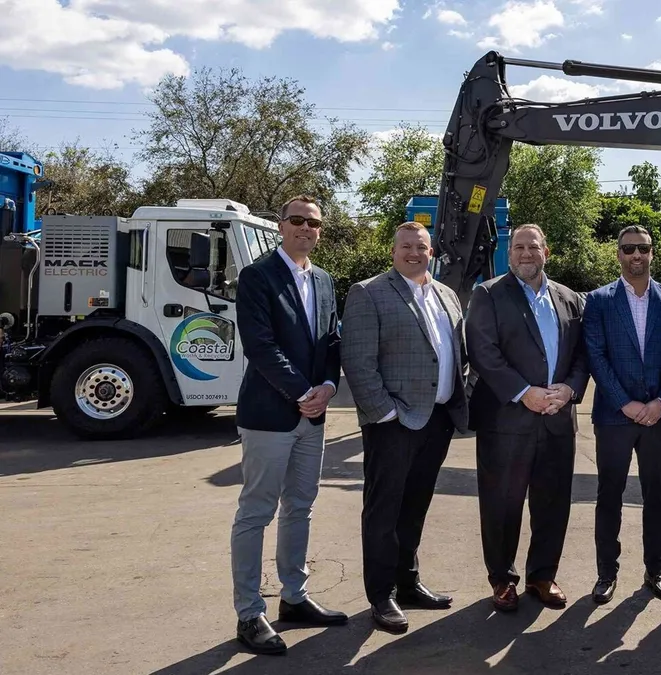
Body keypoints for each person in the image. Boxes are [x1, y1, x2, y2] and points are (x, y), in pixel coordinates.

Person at [230, 194, 346, 655]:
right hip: (270, 416)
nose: (305, 228)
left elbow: (331, 341)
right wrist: (304, 394)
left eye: (313, 222)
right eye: (297, 220)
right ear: (281, 226)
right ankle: (248, 612)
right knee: (256, 512)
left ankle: (293, 598)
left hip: (312, 416)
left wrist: (329, 388)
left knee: (301, 506)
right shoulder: (257, 277)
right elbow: (260, 346)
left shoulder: (323, 280)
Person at [340, 221, 469, 634]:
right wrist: (385, 413)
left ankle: (407, 583)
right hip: (394, 423)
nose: (415, 253)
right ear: (393, 250)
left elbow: (455, 351)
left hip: (438, 419)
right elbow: (358, 361)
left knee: (415, 507)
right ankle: (382, 595)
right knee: (384, 512)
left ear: (432, 251)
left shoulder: (447, 294)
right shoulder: (369, 292)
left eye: (422, 247)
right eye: (407, 246)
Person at [464, 223, 590, 612]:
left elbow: (583, 354)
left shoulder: (569, 298)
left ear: (545, 252)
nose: (525, 254)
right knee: (503, 504)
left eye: (532, 247)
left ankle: (542, 575)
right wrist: (524, 392)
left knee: (553, 503)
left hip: (556, 419)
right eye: (518, 247)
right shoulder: (488, 294)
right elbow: (483, 351)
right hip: (507, 422)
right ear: (509, 252)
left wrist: (569, 389)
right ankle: (502, 579)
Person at [583, 225, 661, 605]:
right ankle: (605, 573)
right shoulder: (598, 301)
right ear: (618, 254)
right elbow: (595, 356)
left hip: (658, 415)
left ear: (651, 253)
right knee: (608, 494)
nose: (636, 256)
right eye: (629, 249)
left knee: (657, 495)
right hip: (614, 416)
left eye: (643, 248)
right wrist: (624, 403)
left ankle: (655, 569)